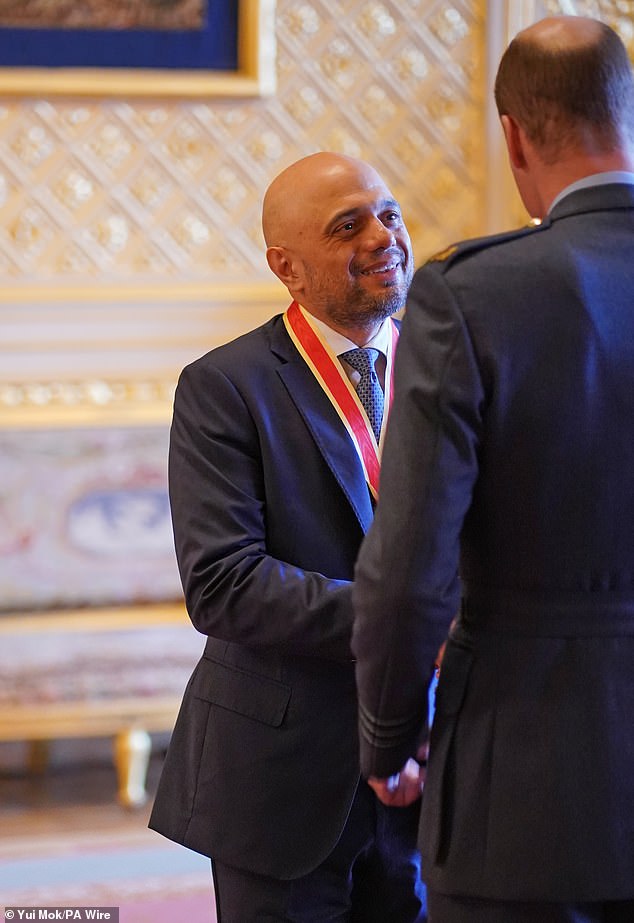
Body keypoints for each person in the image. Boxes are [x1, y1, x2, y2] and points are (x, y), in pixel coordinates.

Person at [352, 15, 634, 923]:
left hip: (529, 776)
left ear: (511, 136)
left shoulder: (473, 292)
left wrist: (391, 734)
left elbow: (409, 570)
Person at [149, 151, 428, 922]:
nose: (383, 237)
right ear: (288, 266)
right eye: (349, 226)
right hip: (281, 781)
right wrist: (404, 623)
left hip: (433, 773)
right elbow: (224, 584)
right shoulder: (225, 386)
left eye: (390, 214)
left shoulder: (452, 370)